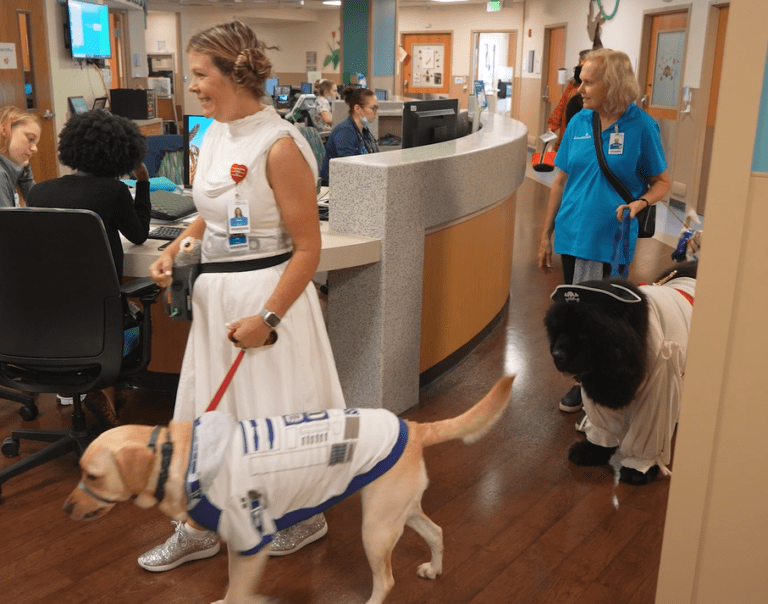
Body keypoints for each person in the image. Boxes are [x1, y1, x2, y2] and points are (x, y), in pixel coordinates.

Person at [142, 20, 346, 571]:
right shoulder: (210, 134)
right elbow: (208, 217)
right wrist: (179, 246)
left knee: (276, 411)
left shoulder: (280, 145)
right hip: (216, 300)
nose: (192, 85)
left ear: (234, 73)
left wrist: (268, 316)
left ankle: (302, 514)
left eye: (201, 74)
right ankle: (199, 524)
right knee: (210, 414)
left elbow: (308, 248)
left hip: (268, 299)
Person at [537, 48, 670, 413]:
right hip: (571, 235)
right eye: (580, 80)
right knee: (576, 317)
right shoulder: (579, 121)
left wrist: (639, 204)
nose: (579, 88)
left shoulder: (641, 125)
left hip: (611, 241)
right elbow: (560, 181)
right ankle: (583, 384)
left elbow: (661, 182)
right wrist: (545, 233)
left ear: (611, 83)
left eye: (588, 81)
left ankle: (608, 385)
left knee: (606, 321)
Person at [26, 108, 151, 423]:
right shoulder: (114, 191)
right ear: (123, 154)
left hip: (40, 325)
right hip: (101, 324)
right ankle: (107, 387)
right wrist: (144, 184)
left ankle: (92, 386)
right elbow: (139, 234)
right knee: (138, 308)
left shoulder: (38, 191)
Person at [320, 86, 379, 184]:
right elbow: (349, 171)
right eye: (373, 108)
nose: (377, 112)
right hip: (336, 186)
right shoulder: (345, 132)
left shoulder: (363, 131)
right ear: (357, 109)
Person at [546, 49, 590, 152]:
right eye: (581, 65)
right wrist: (551, 127)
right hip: (566, 132)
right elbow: (561, 106)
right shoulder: (572, 84)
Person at [0, 106, 41, 208]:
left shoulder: (12, 170)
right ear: (5, 130)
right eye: (30, 139)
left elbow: (36, 203)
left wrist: (24, 171)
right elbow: (7, 221)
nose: (34, 149)